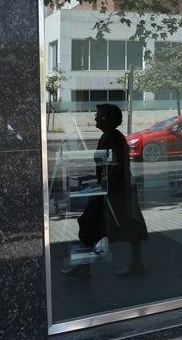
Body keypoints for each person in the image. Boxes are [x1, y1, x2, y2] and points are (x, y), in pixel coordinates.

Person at [63, 103, 147, 278]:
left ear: (109, 120)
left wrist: (105, 187)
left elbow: (117, 166)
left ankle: (85, 266)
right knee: (124, 225)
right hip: (113, 191)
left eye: (99, 116)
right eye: (97, 116)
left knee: (92, 223)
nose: (96, 119)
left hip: (115, 192)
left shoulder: (114, 138)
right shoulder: (108, 136)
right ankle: (136, 264)